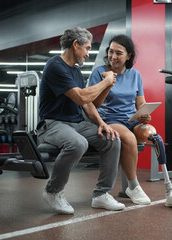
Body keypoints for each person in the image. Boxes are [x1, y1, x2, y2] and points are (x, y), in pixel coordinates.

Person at [88, 34, 172, 207]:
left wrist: (144, 115)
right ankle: (133, 187)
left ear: (129, 56)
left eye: (119, 53)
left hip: (131, 119)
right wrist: (107, 82)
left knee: (154, 135)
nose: (113, 56)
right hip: (109, 119)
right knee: (128, 138)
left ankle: (170, 190)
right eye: (111, 52)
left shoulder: (135, 75)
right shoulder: (99, 72)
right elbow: (94, 103)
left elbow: (140, 102)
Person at [37, 27, 125, 214]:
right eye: (86, 48)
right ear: (75, 45)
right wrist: (106, 81)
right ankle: (53, 191)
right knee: (78, 144)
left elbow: (89, 104)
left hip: (77, 124)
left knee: (113, 139)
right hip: (52, 124)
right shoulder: (55, 66)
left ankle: (101, 195)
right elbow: (82, 97)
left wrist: (101, 123)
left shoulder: (76, 72)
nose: (87, 53)